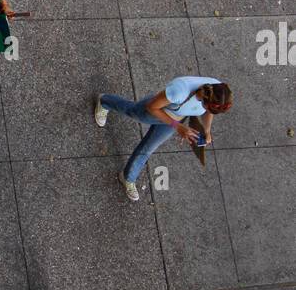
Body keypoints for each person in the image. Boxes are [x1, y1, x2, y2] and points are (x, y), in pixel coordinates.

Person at [94, 77, 233, 201]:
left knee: (148, 148)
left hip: (175, 118)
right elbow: (151, 107)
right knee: (131, 111)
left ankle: (127, 177)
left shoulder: (216, 89)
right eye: (207, 107)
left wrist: (207, 131)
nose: (207, 111)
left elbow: (209, 112)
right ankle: (105, 101)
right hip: (156, 112)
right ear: (205, 97)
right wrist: (178, 127)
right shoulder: (179, 91)